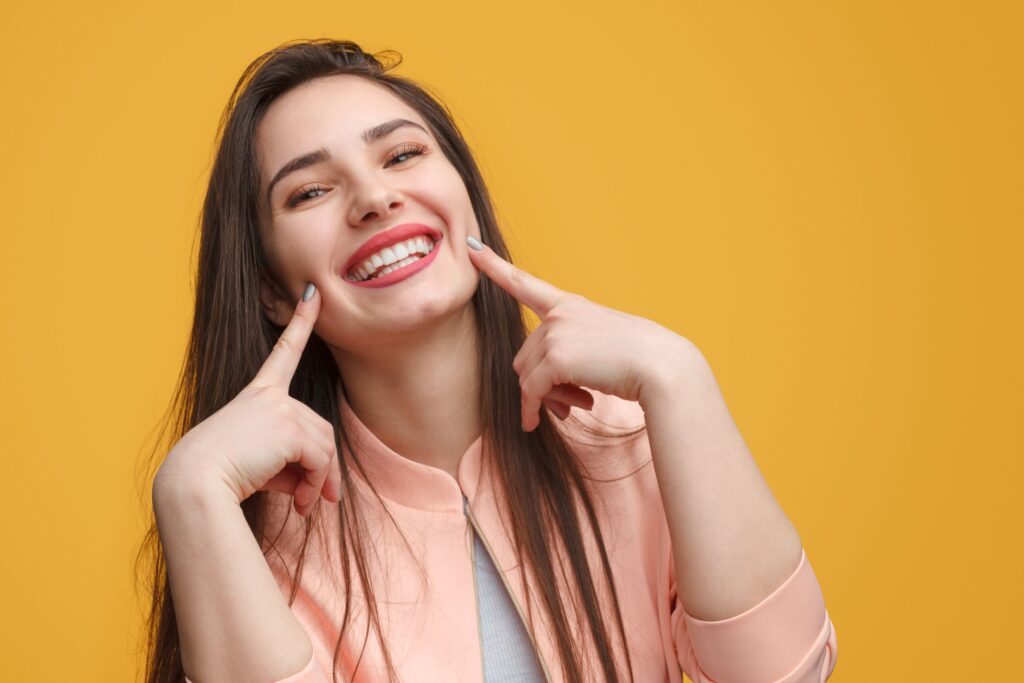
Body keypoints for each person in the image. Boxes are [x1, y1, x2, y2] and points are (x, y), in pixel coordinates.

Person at [139, 39, 838, 683]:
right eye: (311, 191)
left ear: (465, 198)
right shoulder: (261, 540)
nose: (376, 198)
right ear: (271, 288)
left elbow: (784, 675)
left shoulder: (631, 437)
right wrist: (189, 492)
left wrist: (681, 375)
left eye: (403, 155)